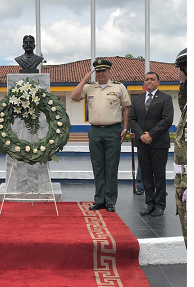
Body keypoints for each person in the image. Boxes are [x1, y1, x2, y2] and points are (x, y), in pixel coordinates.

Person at [71, 58, 131, 212]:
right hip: (95, 131)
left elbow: (126, 108)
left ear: (109, 71)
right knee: (98, 167)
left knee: (111, 167)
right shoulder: (89, 87)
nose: (101, 74)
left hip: (113, 130)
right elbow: (74, 96)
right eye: (98, 71)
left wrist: (125, 129)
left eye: (103, 71)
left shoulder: (118, 87)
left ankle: (110, 201)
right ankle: (99, 200)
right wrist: (84, 79)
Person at [130, 70, 174, 217]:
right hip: (142, 143)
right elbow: (132, 120)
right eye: (147, 79)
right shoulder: (137, 99)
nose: (149, 81)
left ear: (158, 82)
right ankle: (150, 203)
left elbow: (167, 119)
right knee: (146, 175)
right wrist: (142, 135)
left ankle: (160, 205)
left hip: (159, 143)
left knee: (159, 174)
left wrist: (151, 135)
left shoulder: (165, 98)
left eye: (152, 79)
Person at [174, 48, 186, 244]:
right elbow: (182, 100)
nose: (179, 76)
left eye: (182, 70)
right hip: (182, 182)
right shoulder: (187, 106)